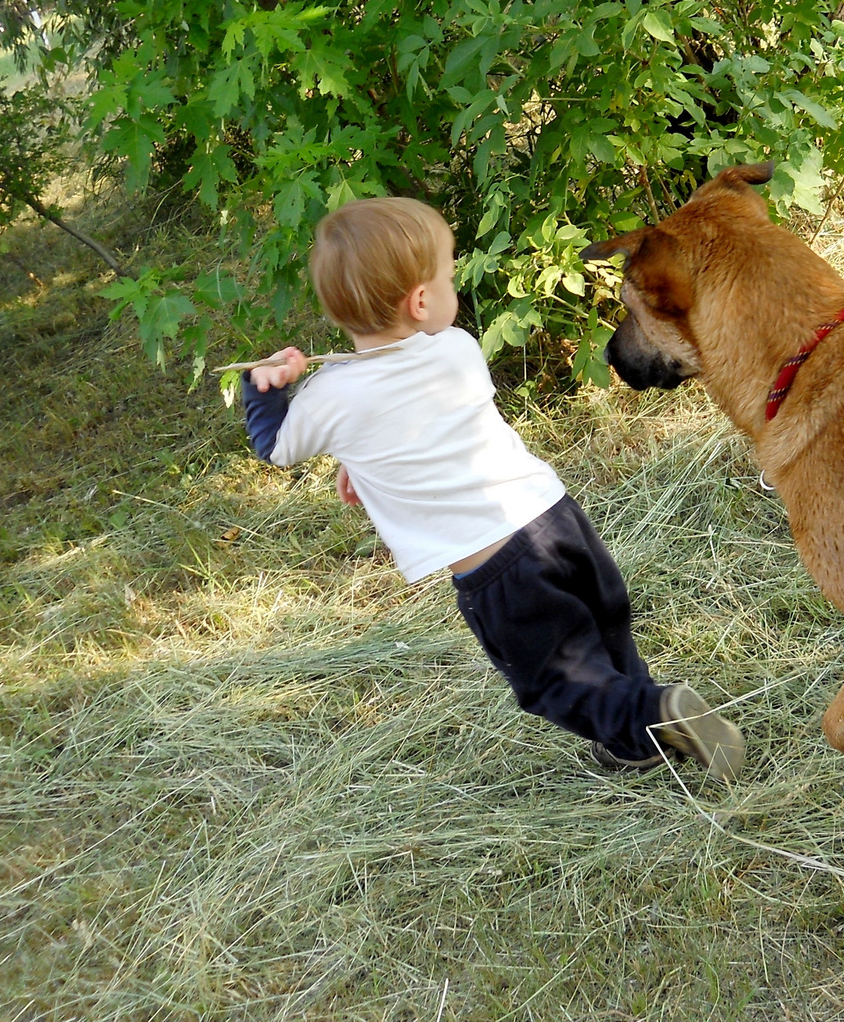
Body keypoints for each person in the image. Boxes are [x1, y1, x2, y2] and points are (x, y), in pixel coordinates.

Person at [240, 196, 745, 778]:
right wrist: (360, 459)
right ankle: (632, 741)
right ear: (421, 301)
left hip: (500, 568)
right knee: (603, 630)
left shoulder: (329, 397)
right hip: (556, 520)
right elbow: (415, 423)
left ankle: (649, 714)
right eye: (450, 273)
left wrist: (265, 386)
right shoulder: (456, 350)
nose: (454, 286)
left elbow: (275, 446)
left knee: (552, 678)